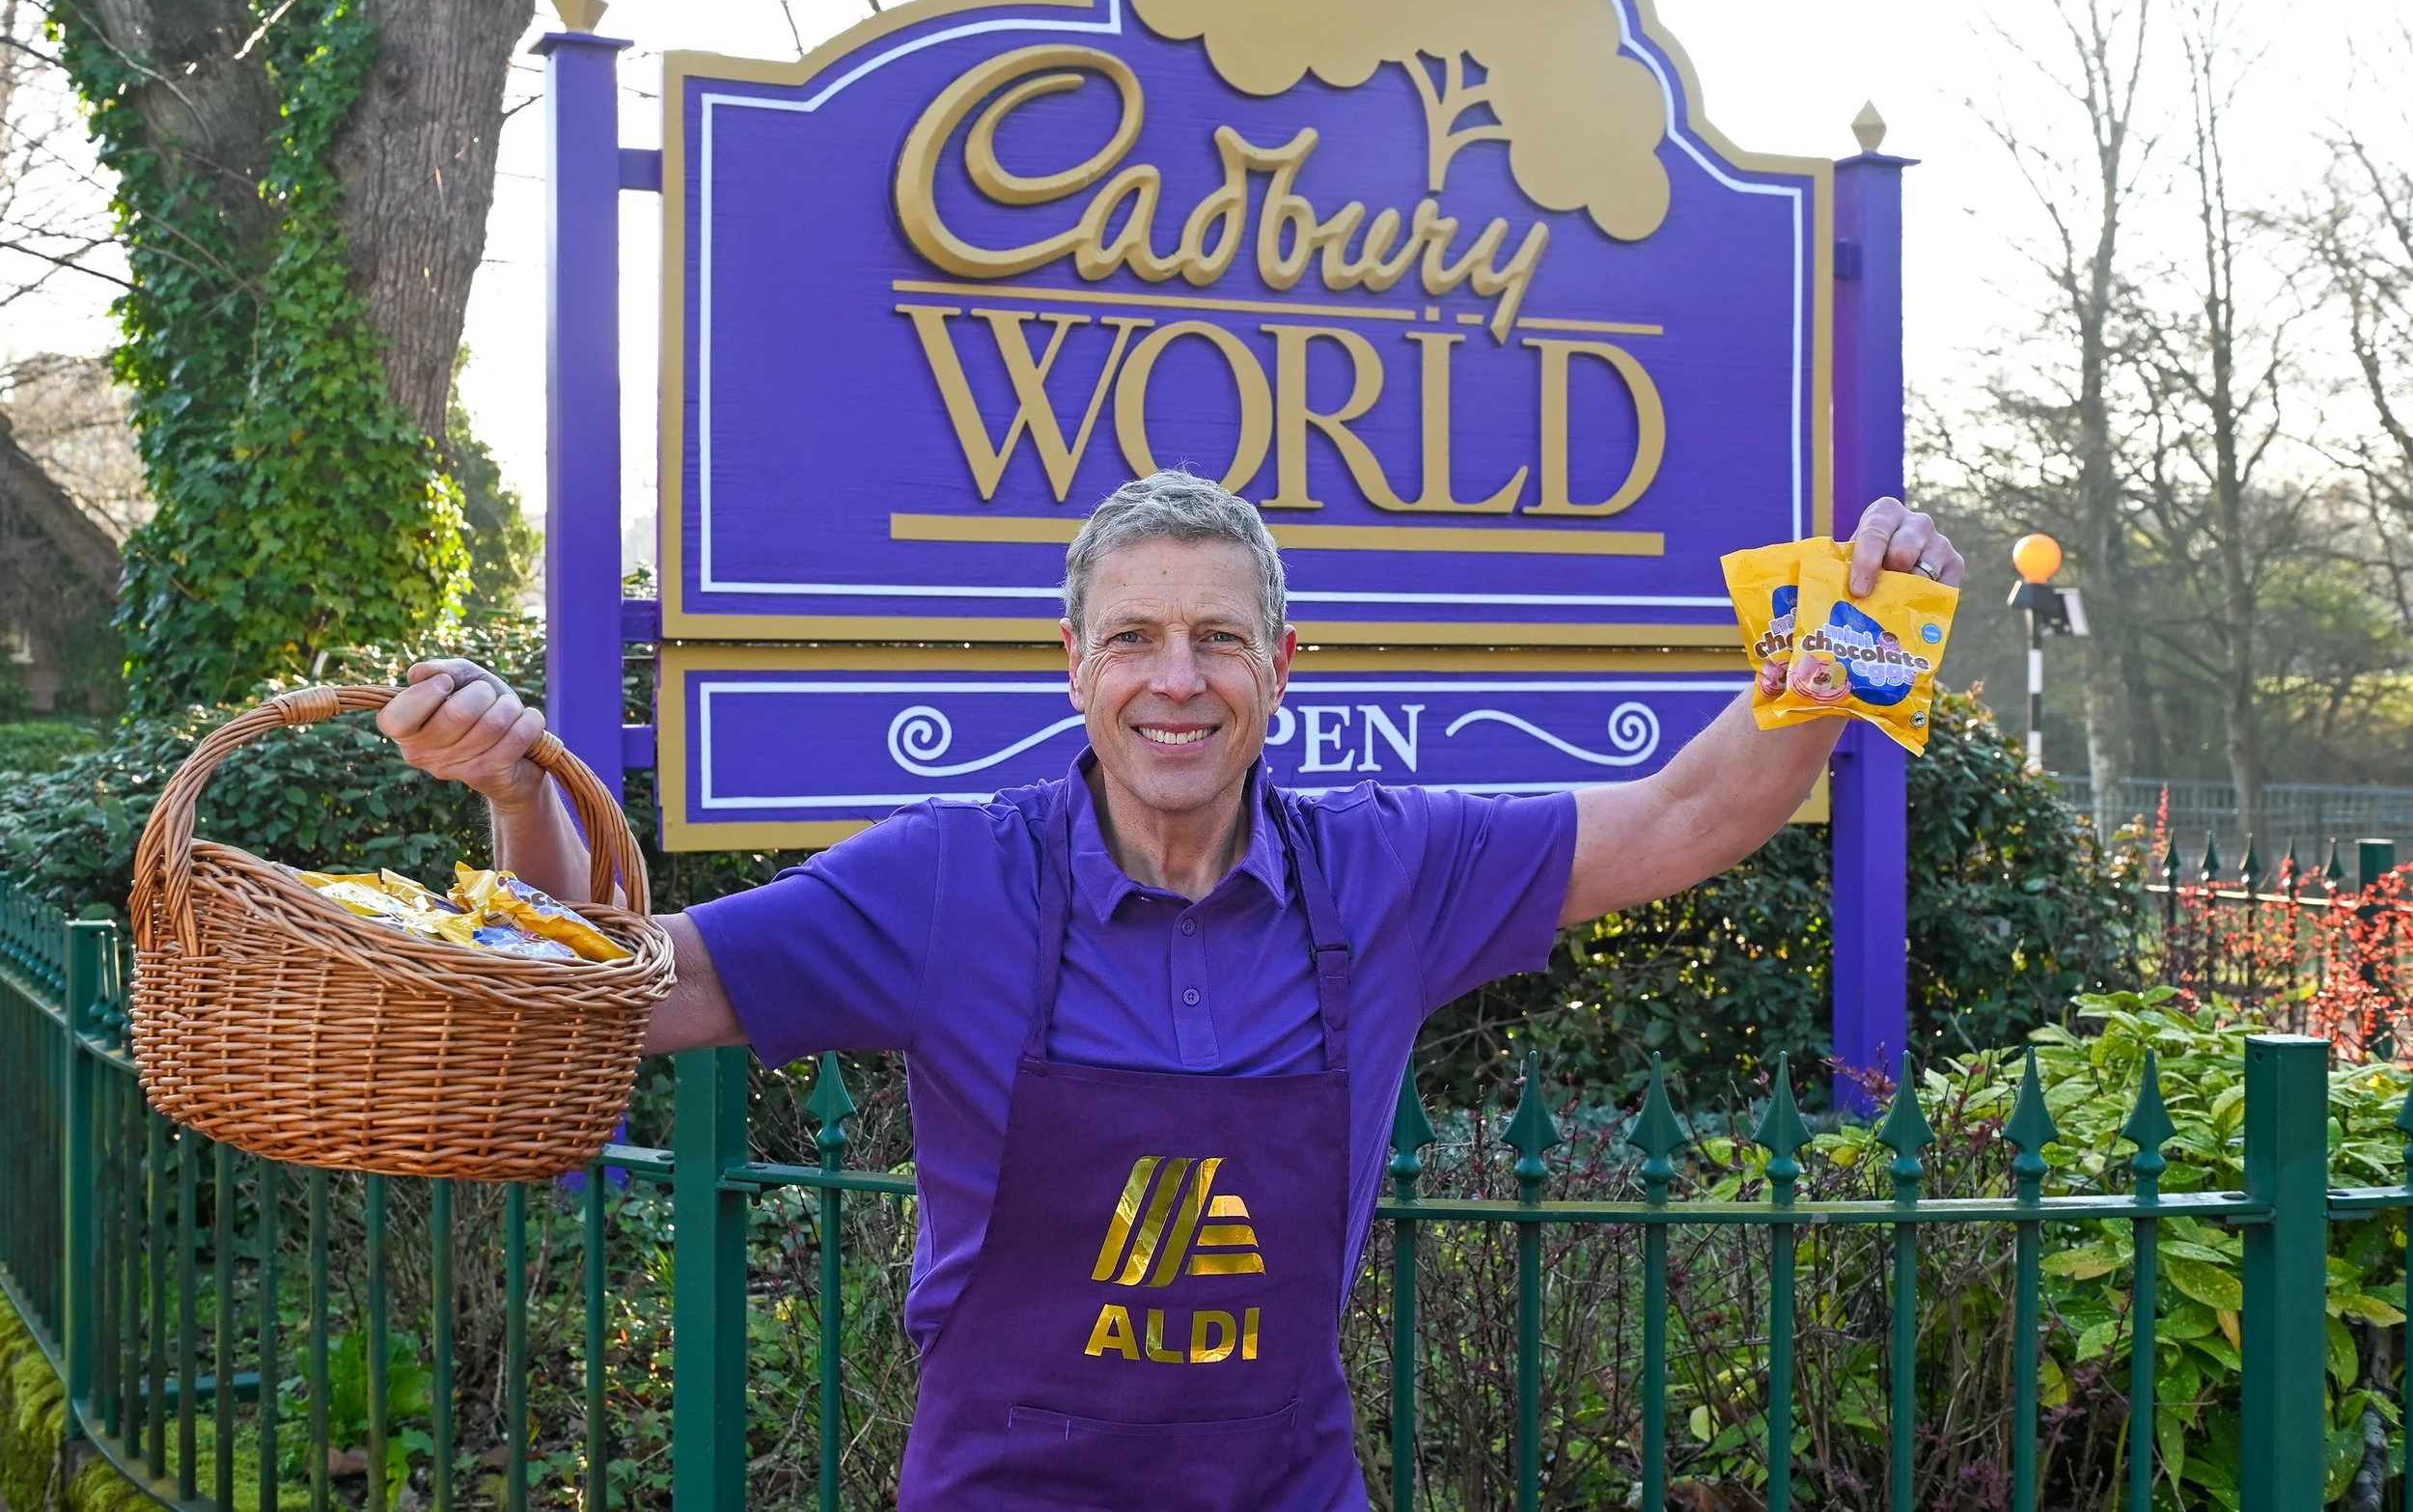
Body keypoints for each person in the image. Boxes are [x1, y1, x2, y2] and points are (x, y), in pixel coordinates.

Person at [379, 471, 1963, 1512]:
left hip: (1284, 1478)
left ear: (1286, 663)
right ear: (1073, 665)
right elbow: (601, 993)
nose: (1177, 676)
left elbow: (1692, 815)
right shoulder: (946, 878)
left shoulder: (1389, 870)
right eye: (1134, 636)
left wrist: (1852, 623)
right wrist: (518, 796)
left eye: (1219, 635)